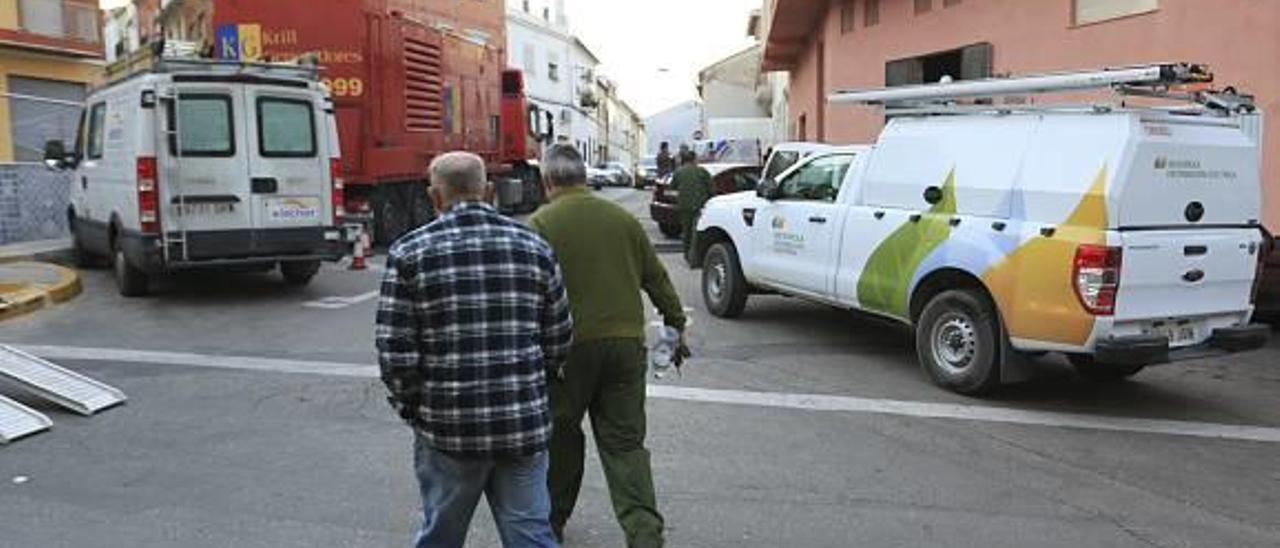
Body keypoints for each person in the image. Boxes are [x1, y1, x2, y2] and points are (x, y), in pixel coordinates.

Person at [376, 151, 573, 548]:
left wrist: (416, 409)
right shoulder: (533, 247)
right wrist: (532, 392)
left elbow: (395, 353)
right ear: (488, 190)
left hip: (449, 428)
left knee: (442, 534)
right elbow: (560, 337)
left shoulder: (409, 253)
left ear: (435, 196)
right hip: (521, 425)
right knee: (530, 533)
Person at [530, 145, 689, 547]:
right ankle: (644, 534)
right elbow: (657, 279)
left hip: (566, 350)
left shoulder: (539, 224)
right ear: (585, 177)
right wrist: (675, 324)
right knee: (625, 445)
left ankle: (552, 522)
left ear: (547, 181)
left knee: (561, 438)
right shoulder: (623, 220)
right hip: (624, 346)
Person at [670, 149, 712, 262]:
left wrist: (678, 199)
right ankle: (694, 258)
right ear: (694, 159)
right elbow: (712, 190)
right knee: (696, 232)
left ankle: (686, 256)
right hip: (699, 206)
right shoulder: (702, 172)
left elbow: (671, 190)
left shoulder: (678, 172)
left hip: (684, 207)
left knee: (686, 232)